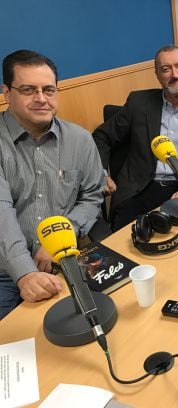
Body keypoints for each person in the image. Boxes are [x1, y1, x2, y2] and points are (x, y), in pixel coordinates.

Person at [0, 50, 104, 320]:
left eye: (48, 89)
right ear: (6, 93)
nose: (41, 99)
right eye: (28, 90)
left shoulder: (80, 140)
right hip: (4, 272)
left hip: (64, 262)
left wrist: (63, 233)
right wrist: (25, 272)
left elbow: (92, 196)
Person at [93, 45, 178, 231]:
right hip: (138, 191)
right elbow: (102, 136)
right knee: (127, 245)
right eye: (166, 69)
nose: (175, 74)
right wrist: (101, 173)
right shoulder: (138, 103)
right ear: (157, 75)